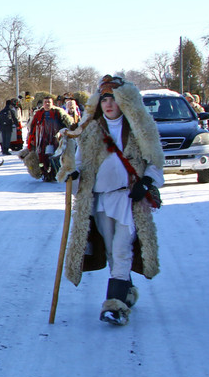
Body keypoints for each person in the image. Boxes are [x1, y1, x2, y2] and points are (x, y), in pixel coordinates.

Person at [57, 75, 164, 326]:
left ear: (124, 102)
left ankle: (115, 306)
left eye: (113, 99)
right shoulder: (91, 130)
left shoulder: (139, 129)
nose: (108, 104)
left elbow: (155, 162)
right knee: (112, 251)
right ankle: (126, 291)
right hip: (101, 200)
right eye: (104, 99)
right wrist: (73, 174)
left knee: (121, 248)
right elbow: (81, 165)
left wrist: (146, 183)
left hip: (128, 199)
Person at [25, 95, 74, 182]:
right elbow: (32, 127)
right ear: (43, 103)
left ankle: (54, 173)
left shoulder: (58, 113)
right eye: (45, 102)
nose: (47, 104)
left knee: (55, 157)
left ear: (52, 103)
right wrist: (31, 138)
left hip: (55, 140)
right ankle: (44, 173)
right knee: (41, 159)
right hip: (41, 141)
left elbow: (67, 124)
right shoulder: (38, 114)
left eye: (49, 102)